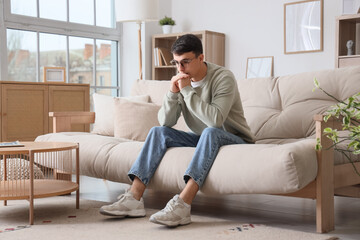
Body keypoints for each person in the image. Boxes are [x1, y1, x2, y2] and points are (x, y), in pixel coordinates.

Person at [99, 34, 255, 227]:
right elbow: (166, 121)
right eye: (177, 63)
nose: (180, 69)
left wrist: (187, 91)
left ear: (201, 58)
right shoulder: (181, 82)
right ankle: (134, 198)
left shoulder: (223, 77)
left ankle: (183, 205)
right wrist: (173, 93)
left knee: (210, 132)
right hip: (203, 138)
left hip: (235, 139)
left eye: (186, 62)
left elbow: (215, 121)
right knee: (158, 131)